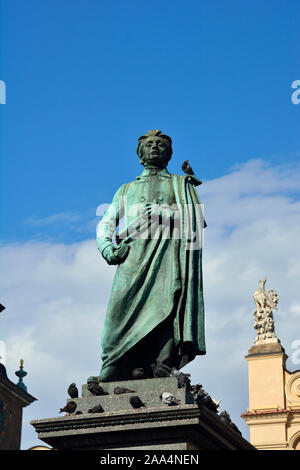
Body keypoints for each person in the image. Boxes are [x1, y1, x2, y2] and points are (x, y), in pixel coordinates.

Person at [96, 130, 206, 382]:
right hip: (132, 257)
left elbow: (196, 221)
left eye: (160, 144)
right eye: (149, 144)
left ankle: (161, 362)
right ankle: (116, 358)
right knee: (119, 311)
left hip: (166, 256)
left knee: (166, 306)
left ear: (168, 153)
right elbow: (106, 222)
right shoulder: (127, 189)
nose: (154, 147)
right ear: (139, 152)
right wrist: (106, 246)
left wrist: (162, 214)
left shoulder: (180, 185)